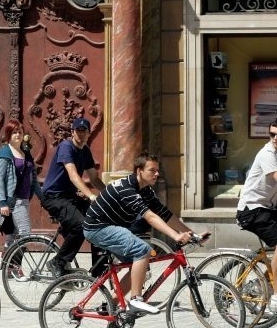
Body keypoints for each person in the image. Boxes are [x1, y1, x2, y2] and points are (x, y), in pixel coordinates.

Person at [83, 152, 205, 314]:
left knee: (141, 267)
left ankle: (109, 305)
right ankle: (136, 300)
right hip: (97, 228)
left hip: (112, 226)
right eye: (152, 170)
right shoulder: (127, 188)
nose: (157, 174)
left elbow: (164, 214)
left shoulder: (145, 190)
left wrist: (191, 234)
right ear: (139, 171)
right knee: (142, 250)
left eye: (157, 170)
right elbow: (150, 217)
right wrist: (175, 236)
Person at [40, 117, 106, 277]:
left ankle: (99, 270)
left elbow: (94, 178)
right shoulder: (66, 146)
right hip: (53, 196)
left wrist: (109, 194)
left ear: (89, 133)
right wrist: (90, 195)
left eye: (85, 131)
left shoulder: (85, 151)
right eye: (78, 131)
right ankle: (58, 262)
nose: (81, 134)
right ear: (72, 132)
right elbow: (73, 176)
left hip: (69, 196)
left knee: (98, 218)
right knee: (80, 226)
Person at [235, 118, 277, 312]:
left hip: (267, 208)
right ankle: (276, 295)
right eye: (272, 134)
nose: (274, 138)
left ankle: (267, 283)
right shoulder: (268, 153)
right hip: (252, 210)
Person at [0, 118, 42, 249]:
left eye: (20, 132)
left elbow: (33, 177)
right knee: (25, 233)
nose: (17, 135)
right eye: (14, 132)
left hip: (25, 199)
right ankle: (14, 266)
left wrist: (42, 197)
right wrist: (3, 202)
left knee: (14, 234)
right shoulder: (4, 153)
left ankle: (8, 261)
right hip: (13, 201)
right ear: (8, 135)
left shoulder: (26, 153)